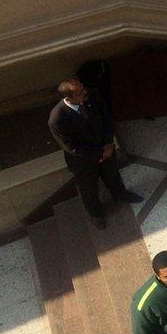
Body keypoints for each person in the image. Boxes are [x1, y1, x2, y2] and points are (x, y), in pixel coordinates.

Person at [48, 79, 143, 229]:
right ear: (68, 98)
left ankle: (120, 194)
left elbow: (107, 119)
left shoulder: (93, 95)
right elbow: (71, 146)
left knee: (113, 175)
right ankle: (95, 213)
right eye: (80, 92)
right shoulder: (57, 118)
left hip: (106, 149)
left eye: (83, 88)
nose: (85, 92)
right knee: (88, 189)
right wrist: (99, 153)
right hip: (83, 161)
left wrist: (108, 145)